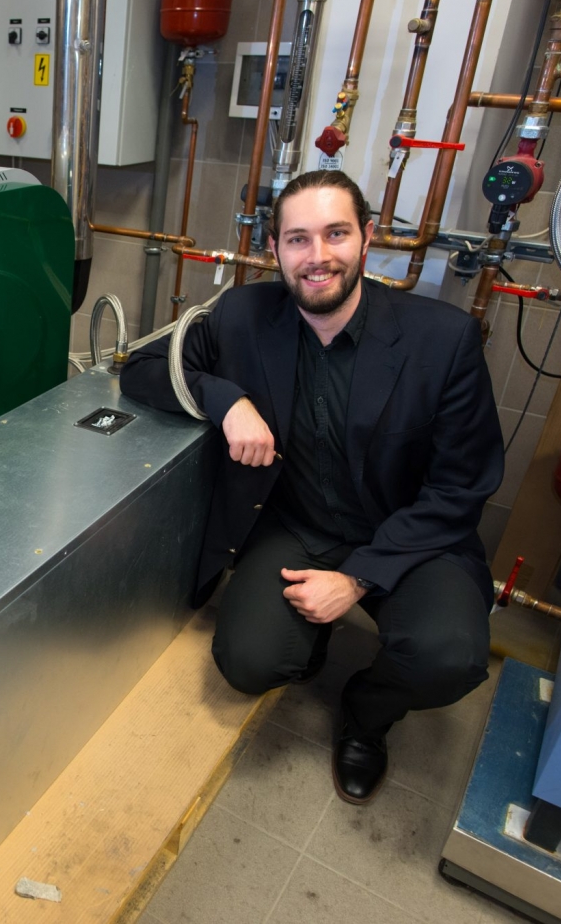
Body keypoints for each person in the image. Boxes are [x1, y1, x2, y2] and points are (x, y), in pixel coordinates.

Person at [119, 170, 503, 804]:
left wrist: (356, 580)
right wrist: (227, 399)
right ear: (275, 248)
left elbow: (462, 488)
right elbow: (141, 367)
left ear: (368, 238)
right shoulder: (244, 314)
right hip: (297, 526)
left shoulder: (442, 339)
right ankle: (304, 645)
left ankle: (367, 713)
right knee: (249, 663)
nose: (317, 256)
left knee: (448, 658)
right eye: (298, 239)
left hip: (409, 534)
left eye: (336, 234)